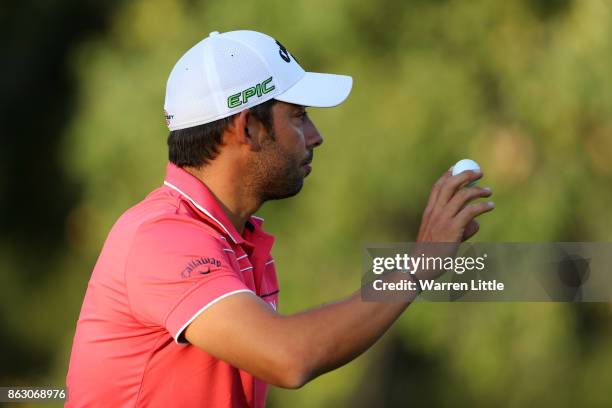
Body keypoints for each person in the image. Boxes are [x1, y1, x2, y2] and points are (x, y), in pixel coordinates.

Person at [65, 30, 494, 407]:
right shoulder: (161, 237)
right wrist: (421, 262)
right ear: (247, 127)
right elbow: (290, 357)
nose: (315, 136)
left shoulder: (236, 238)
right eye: (299, 117)